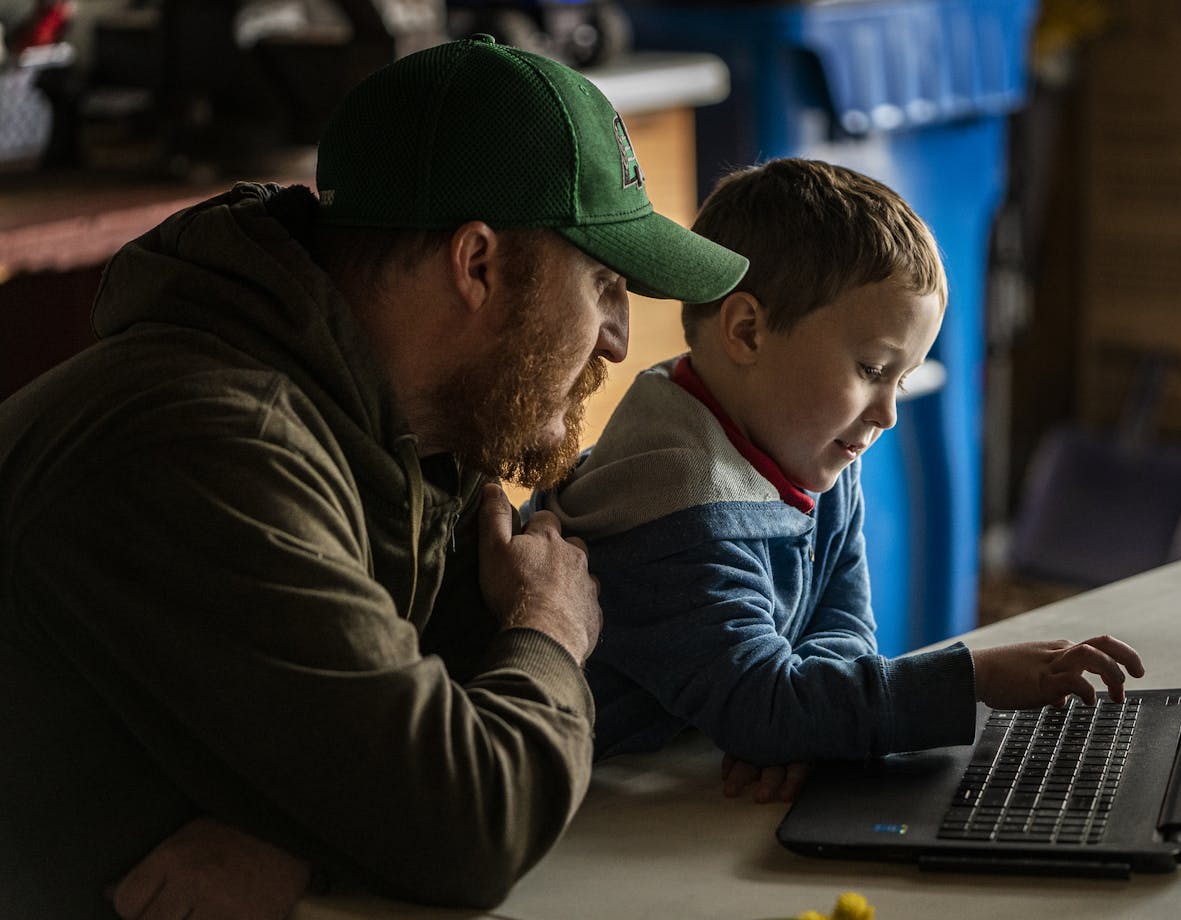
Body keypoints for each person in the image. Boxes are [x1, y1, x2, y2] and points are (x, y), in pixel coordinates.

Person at [0, 37, 748, 919]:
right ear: (478, 265)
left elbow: (427, 715)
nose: (619, 339)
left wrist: (306, 835)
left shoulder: (414, 424)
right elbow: (466, 825)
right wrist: (550, 624)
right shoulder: (211, 446)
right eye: (604, 284)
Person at [535, 158, 1144, 803]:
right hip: (586, 812)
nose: (886, 414)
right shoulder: (673, 507)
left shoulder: (802, 448)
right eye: (872, 368)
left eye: (900, 379)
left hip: (682, 776)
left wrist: (808, 726)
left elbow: (840, 623)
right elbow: (761, 704)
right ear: (747, 332)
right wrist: (974, 681)